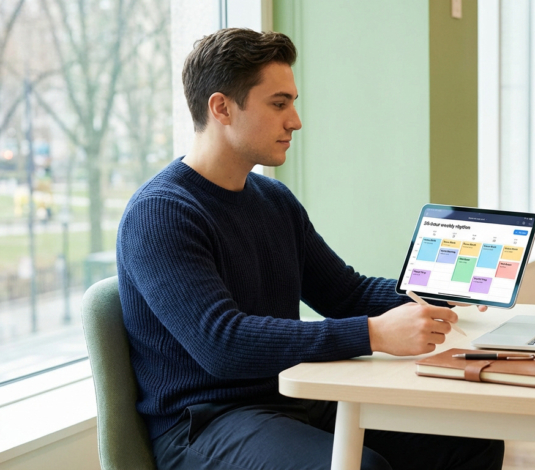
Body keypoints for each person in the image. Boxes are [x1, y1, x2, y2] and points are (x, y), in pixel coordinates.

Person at [117, 28, 504, 470]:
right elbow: (222, 343)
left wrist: (437, 289)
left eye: (292, 103)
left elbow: (344, 293)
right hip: (205, 423)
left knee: (469, 439)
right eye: (279, 104)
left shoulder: (272, 199)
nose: (295, 121)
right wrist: (374, 334)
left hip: (289, 397)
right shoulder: (160, 214)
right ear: (221, 107)